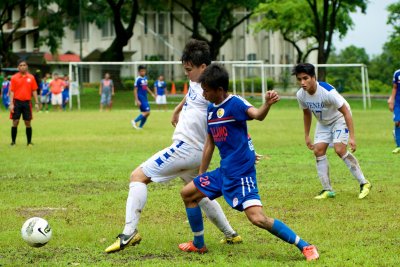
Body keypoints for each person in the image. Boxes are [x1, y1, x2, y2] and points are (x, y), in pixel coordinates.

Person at [105, 39, 242, 253]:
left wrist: (246, 143)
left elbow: (234, 111)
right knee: (198, 193)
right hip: (194, 153)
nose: (186, 73)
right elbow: (190, 95)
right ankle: (231, 234)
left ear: (203, 68)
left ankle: (129, 232)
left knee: (137, 177)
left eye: (189, 69)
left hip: (187, 149)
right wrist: (177, 109)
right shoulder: (198, 84)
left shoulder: (212, 92)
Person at [178, 64, 319, 261]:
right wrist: (202, 173)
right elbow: (209, 145)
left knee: (257, 219)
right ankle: (198, 245)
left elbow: (257, 115)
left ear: (219, 90)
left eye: (206, 90)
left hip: (241, 175)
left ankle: (305, 246)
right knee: (188, 194)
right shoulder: (211, 109)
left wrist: (267, 104)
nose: (203, 94)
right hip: (223, 172)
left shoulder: (235, 103)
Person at [293, 63, 372, 199]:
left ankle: (364, 183)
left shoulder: (327, 92)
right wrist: (306, 135)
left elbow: (346, 112)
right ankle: (327, 190)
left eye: (305, 78)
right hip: (324, 123)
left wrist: (352, 137)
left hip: (339, 118)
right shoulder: (301, 95)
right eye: (299, 79)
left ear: (313, 77)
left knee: (339, 149)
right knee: (318, 150)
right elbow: (306, 114)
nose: (302, 82)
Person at [9, 60, 39, 146]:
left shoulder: (31, 77)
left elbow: (34, 90)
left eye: (24, 65)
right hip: (16, 102)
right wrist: (11, 104)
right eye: (21, 65)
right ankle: (13, 142)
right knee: (15, 121)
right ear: (18, 67)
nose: (23, 67)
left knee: (28, 122)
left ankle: (29, 142)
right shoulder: (14, 78)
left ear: (27, 66)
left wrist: (36, 103)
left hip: (27, 103)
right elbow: (12, 91)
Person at [388, 69, 400, 154]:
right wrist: (391, 99)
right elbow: (395, 87)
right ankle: (399, 146)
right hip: (398, 102)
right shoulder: (397, 73)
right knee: (397, 121)